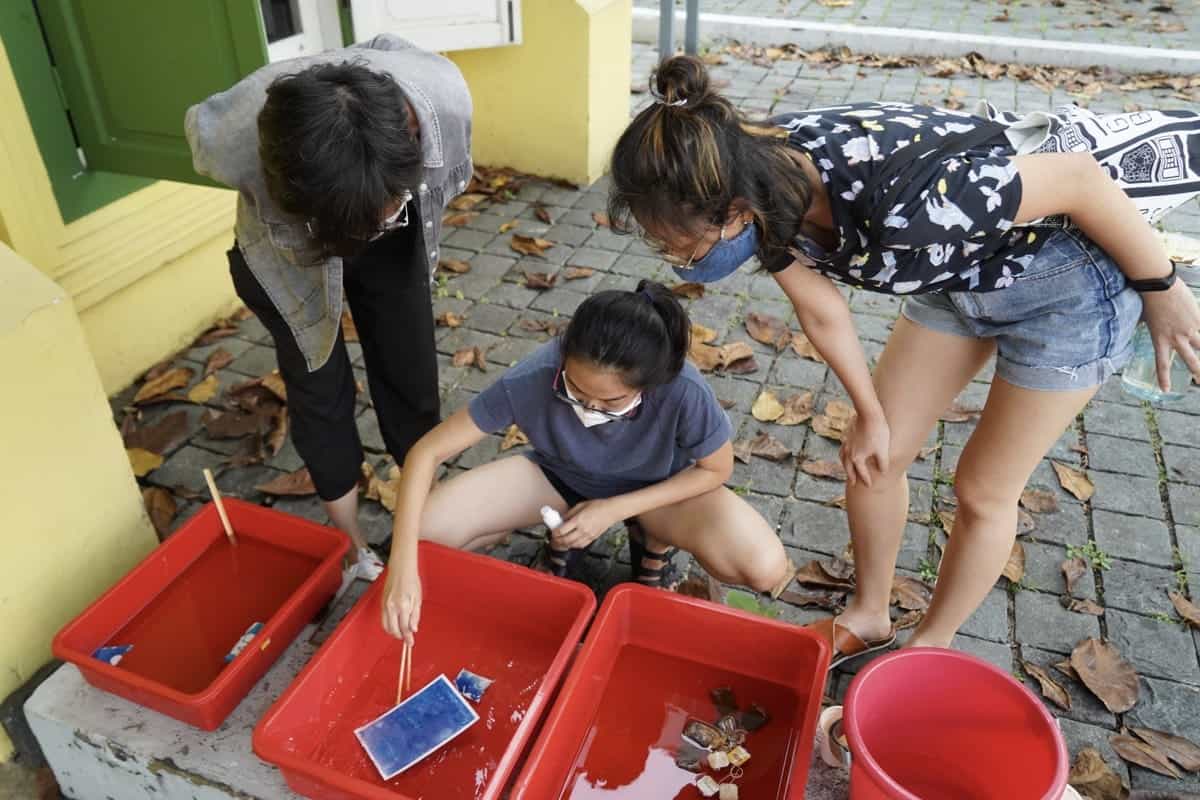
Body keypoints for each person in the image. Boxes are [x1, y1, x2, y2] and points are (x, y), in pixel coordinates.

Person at [606, 55, 1200, 666]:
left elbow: (1079, 180)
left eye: (672, 241)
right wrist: (869, 413)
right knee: (874, 456)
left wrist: (1164, 288)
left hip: (1068, 285)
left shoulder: (900, 202)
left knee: (983, 491)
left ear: (731, 212)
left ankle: (930, 648)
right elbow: (823, 312)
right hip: (958, 269)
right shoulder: (758, 176)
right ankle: (868, 615)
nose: (668, 254)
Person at [185, 35, 472, 586]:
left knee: (409, 371)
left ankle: (423, 524)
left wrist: (384, 212)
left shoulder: (443, 100)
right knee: (318, 383)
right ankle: (352, 546)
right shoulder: (235, 131)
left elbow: (389, 46)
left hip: (383, 205)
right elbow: (198, 135)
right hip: (294, 243)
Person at [380, 281, 792, 643]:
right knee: (424, 536)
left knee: (763, 566)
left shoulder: (682, 389)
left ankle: (652, 539)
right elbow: (426, 452)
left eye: (611, 401)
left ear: (651, 384)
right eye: (575, 389)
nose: (590, 407)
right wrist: (402, 568)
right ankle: (571, 529)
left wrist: (614, 509)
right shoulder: (536, 373)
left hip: (656, 492)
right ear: (563, 357)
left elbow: (717, 470)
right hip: (556, 477)